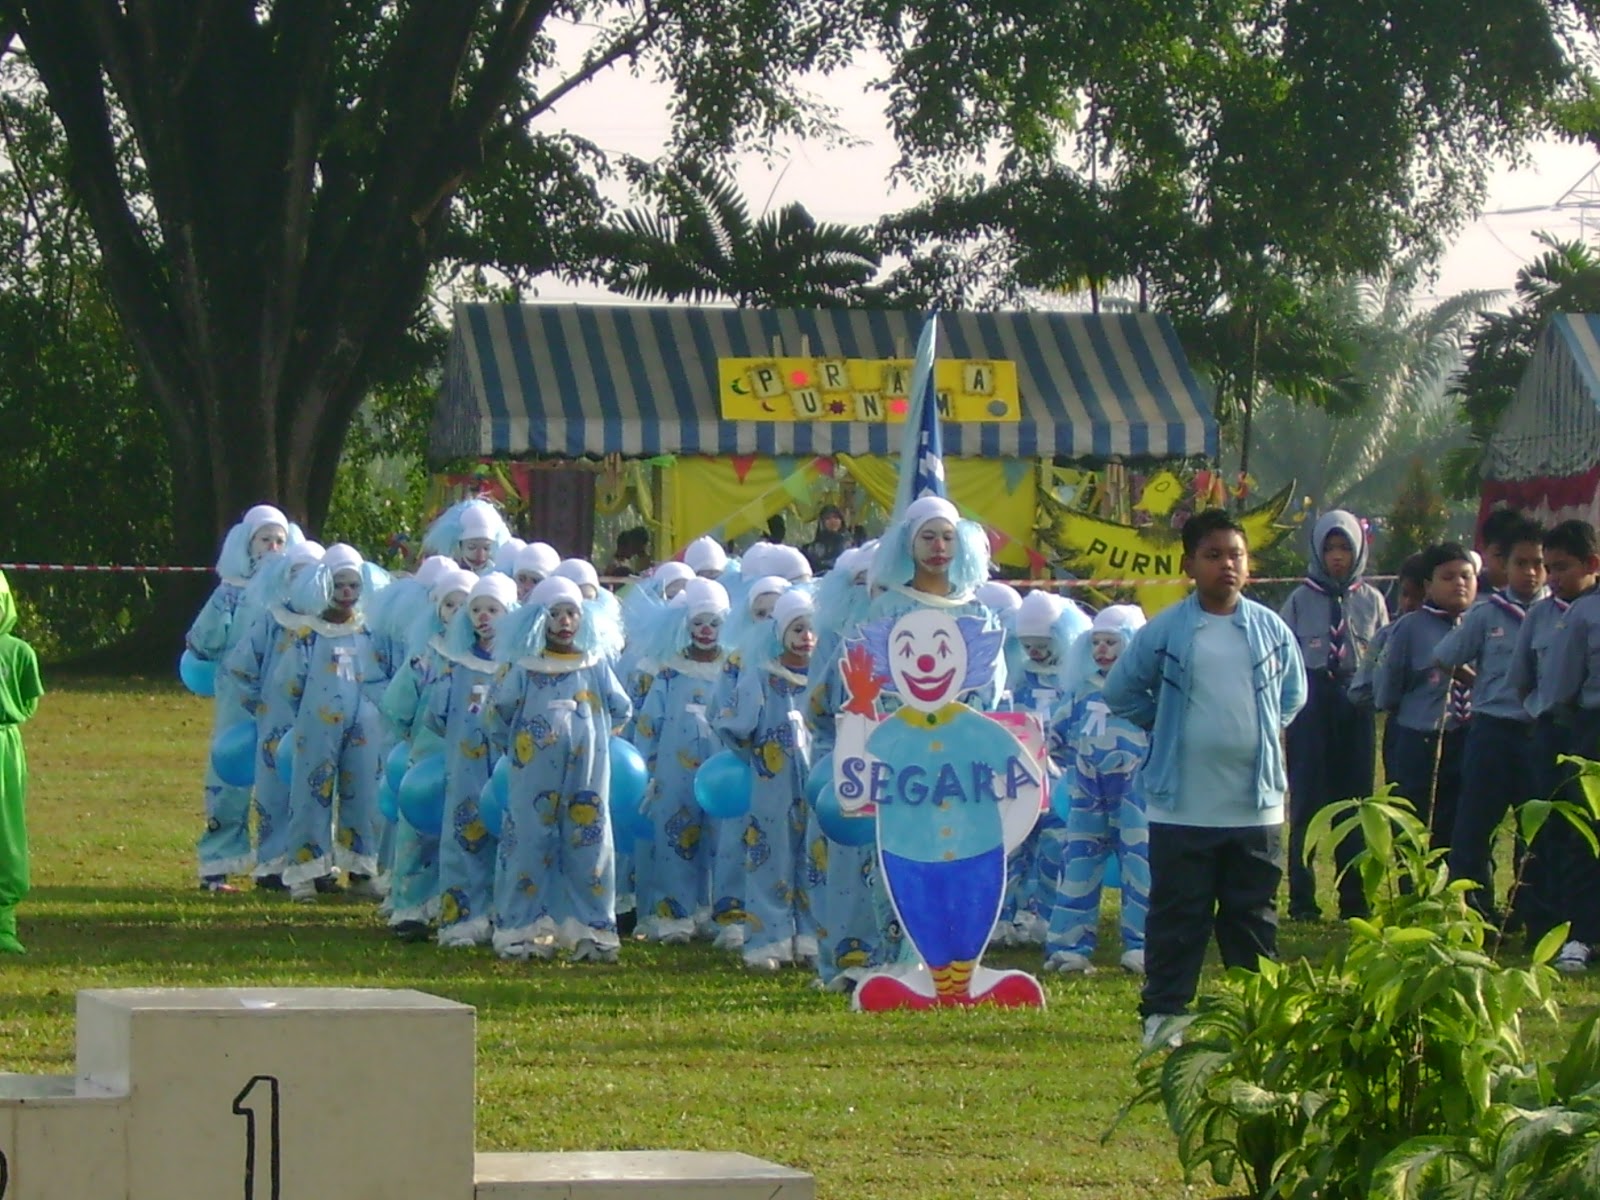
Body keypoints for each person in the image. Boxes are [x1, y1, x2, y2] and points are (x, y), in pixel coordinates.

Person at [1102, 508, 1306, 1048]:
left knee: (1253, 917)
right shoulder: (1165, 631)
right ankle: (1164, 1015)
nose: (1226, 566)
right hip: (1182, 805)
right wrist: (1169, 724)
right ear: (1189, 564)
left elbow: (1292, 697)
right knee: (1179, 914)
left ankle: (1260, 1018)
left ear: (1249, 562)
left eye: (1235, 555)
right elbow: (1121, 692)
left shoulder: (1270, 631)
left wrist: (1252, 733)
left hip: (1255, 805)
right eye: (1213, 556)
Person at [488, 576, 633, 962]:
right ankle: (521, 928)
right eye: (555, 614)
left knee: (590, 841)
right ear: (537, 619)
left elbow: (620, 707)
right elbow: (498, 713)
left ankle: (592, 929)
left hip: (588, 773)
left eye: (572, 613)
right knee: (529, 840)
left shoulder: (594, 664)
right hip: (532, 773)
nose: (565, 622)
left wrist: (596, 740)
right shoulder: (522, 667)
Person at [1279, 511, 1389, 921]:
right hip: (1311, 701)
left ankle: (1354, 901)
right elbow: (1285, 657)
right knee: (1306, 803)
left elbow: (1382, 652)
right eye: (1330, 548)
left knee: (1355, 804)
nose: (1337, 557)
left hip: (1355, 700)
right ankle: (1302, 900)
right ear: (1317, 550)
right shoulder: (1299, 598)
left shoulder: (1372, 599)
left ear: (1359, 550)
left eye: (1345, 548)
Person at [1435, 515, 1546, 922]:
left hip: (1539, 731)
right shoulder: (1487, 614)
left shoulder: (1557, 613)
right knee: (1477, 825)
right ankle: (1476, 911)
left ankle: (1529, 909)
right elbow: (1446, 656)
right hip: (1493, 729)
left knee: (1535, 828)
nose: (1531, 572)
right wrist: (1480, 684)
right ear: (1503, 565)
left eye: (1538, 563)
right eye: (1521, 562)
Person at [188, 504, 296, 892]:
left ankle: (278, 862)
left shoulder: (292, 593)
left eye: (280, 539)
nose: (273, 546)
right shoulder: (230, 592)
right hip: (237, 694)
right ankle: (217, 862)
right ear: (248, 543)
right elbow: (203, 639)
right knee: (229, 774)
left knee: (280, 775)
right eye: (265, 539)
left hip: (283, 695)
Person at [714, 589, 820, 969]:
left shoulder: (823, 677)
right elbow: (733, 724)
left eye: (811, 628)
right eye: (797, 628)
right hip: (772, 783)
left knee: (814, 854)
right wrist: (755, 758)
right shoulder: (762, 676)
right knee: (769, 854)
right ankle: (768, 938)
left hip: (816, 782)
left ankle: (810, 935)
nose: (806, 636)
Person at [278, 544, 390, 902]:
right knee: (311, 791)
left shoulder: (367, 631)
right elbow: (289, 681)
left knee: (364, 794)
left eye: (353, 587)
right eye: (339, 585)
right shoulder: (308, 634)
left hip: (364, 724)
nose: (345, 594)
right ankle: (305, 872)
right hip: (316, 725)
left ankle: (361, 869)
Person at [1045, 604, 1150, 976]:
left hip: (1135, 792)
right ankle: (1068, 946)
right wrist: (1076, 763)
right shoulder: (1080, 693)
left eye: (1112, 642)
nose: (1103, 650)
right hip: (1087, 793)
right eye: (1097, 642)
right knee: (1078, 864)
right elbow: (1054, 737)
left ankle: (1142, 945)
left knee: (1140, 866)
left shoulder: (1144, 692)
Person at [632, 578, 731, 944]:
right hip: (674, 773)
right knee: (676, 834)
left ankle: (721, 912)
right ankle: (675, 914)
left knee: (724, 837)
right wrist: (648, 766)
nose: (706, 632)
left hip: (722, 773)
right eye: (698, 624)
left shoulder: (732, 671)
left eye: (714, 623)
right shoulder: (670, 672)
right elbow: (649, 722)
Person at [424, 573, 518, 947]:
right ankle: (462, 918)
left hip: (509, 764)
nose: (483, 617)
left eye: (493, 609)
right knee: (463, 832)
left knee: (511, 833)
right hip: (465, 765)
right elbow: (436, 712)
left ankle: (508, 914)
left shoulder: (521, 664)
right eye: (476, 609)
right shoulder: (454, 661)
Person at [1373, 542, 1478, 849]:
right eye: (1448, 577)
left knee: (1459, 820)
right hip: (1419, 735)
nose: (1459, 583)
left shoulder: (1481, 622)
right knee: (1414, 822)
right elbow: (1388, 686)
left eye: (1465, 576)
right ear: (1429, 585)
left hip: (1468, 734)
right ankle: (1413, 890)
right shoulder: (1410, 628)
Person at [1544, 521, 1600, 972]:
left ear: (1592, 565)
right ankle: (1580, 935)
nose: (1552, 577)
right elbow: (1561, 684)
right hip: (1590, 733)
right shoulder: (1582, 614)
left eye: (1561, 567)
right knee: (1585, 833)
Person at [0, 569, 43, 955]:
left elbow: (28, 700)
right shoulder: (19, 653)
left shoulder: (19, 652)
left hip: (4, 749)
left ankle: (3, 923)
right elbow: (29, 701)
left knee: (6, 830)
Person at [803, 505, 851, 574]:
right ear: (822, 522)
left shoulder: (849, 543)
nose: (832, 521)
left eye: (836, 517)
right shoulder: (814, 547)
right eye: (828, 518)